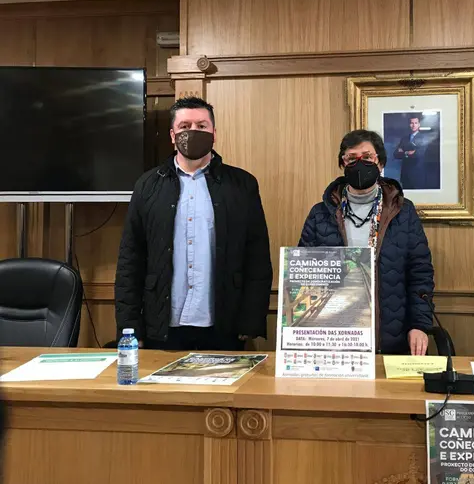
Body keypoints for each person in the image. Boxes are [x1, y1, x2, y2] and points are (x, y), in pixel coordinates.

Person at [115, 97, 273, 351]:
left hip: (224, 324)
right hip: (162, 324)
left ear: (214, 133)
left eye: (202, 126)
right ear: (172, 134)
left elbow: (257, 256)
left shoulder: (242, 185)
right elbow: (130, 260)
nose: (193, 132)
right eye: (185, 126)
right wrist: (129, 325)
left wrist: (251, 320)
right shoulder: (147, 186)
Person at [299, 129, 434, 355]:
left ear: (380, 163)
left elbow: (419, 272)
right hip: (335, 337)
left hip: (392, 335)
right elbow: (304, 275)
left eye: (367, 157)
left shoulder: (403, 211)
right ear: (342, 164)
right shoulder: (320, 214)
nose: (359, 163)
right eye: (351, 158)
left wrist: (419, 325)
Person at [393, 115, 430, 189]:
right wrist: (407, 153)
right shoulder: (404, 139)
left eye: (416, 123)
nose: (413, 125)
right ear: (409, 124)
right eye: (411, 123)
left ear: (419, 124)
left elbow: (418, 154)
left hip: (417, 175)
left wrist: (403, 152)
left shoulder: (424, 138)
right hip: (405, 174)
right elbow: (396, 154)